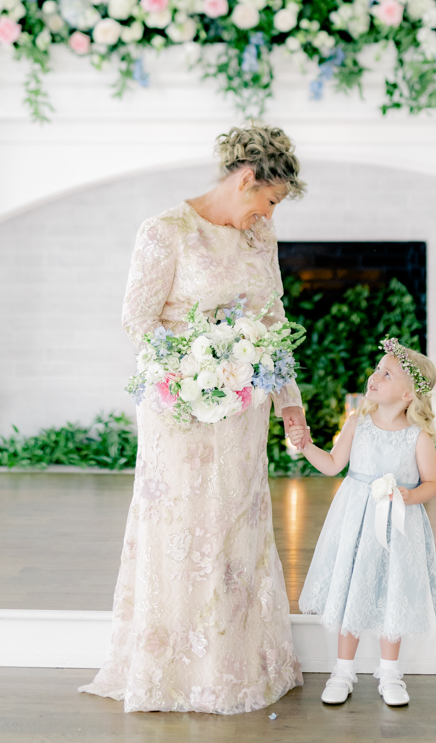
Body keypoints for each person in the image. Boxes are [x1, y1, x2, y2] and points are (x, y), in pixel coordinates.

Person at [80, 123, 309, 714]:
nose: (266, 216)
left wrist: (291, 407)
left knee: (236, 531)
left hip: (242, 414)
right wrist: (196, 364)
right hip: (180, 412)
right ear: (246, 179)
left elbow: (273, 319)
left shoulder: (261, 237)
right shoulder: (166, 232)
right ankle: (172, 671)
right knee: (181, 534)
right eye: (268, 200)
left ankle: (236, 668)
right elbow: (138, 320)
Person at [289, 339, 436, 707]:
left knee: (392, 592)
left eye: (386, 373)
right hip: (356, 522)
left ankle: (390, 673)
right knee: (352, 591)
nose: (374, 376)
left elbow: (431, 484)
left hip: (397, 527)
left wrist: (407, 496)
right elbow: (332, 465)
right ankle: (343, 670)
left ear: (407, 395)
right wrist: (306, 444)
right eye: (377, 368)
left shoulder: (417, 436)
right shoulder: (358, 422)